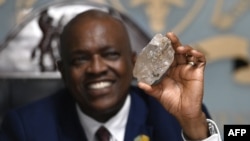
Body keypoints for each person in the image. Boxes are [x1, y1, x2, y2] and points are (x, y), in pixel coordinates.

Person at [0, 9, 221, 141]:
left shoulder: (173, 119)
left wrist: (193, 125)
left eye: (110, 54)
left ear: (133, 61)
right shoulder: (26, 128)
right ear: (63, 71)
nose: (96, 68)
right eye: (80, 59)